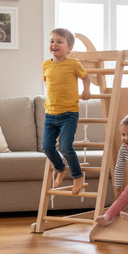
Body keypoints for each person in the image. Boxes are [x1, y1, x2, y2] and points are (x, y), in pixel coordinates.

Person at [41, 28, 91, 194]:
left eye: (59, 41)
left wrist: (86, 90)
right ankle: (61, 169)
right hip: (50, 114)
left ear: (69, 48)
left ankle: (77, 176)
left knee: (65, 147)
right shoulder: (46, 65)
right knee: (47, 147)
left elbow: (86, 77)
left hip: (69, 114)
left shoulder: (73, 64)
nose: (54, 44)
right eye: (52, 41)